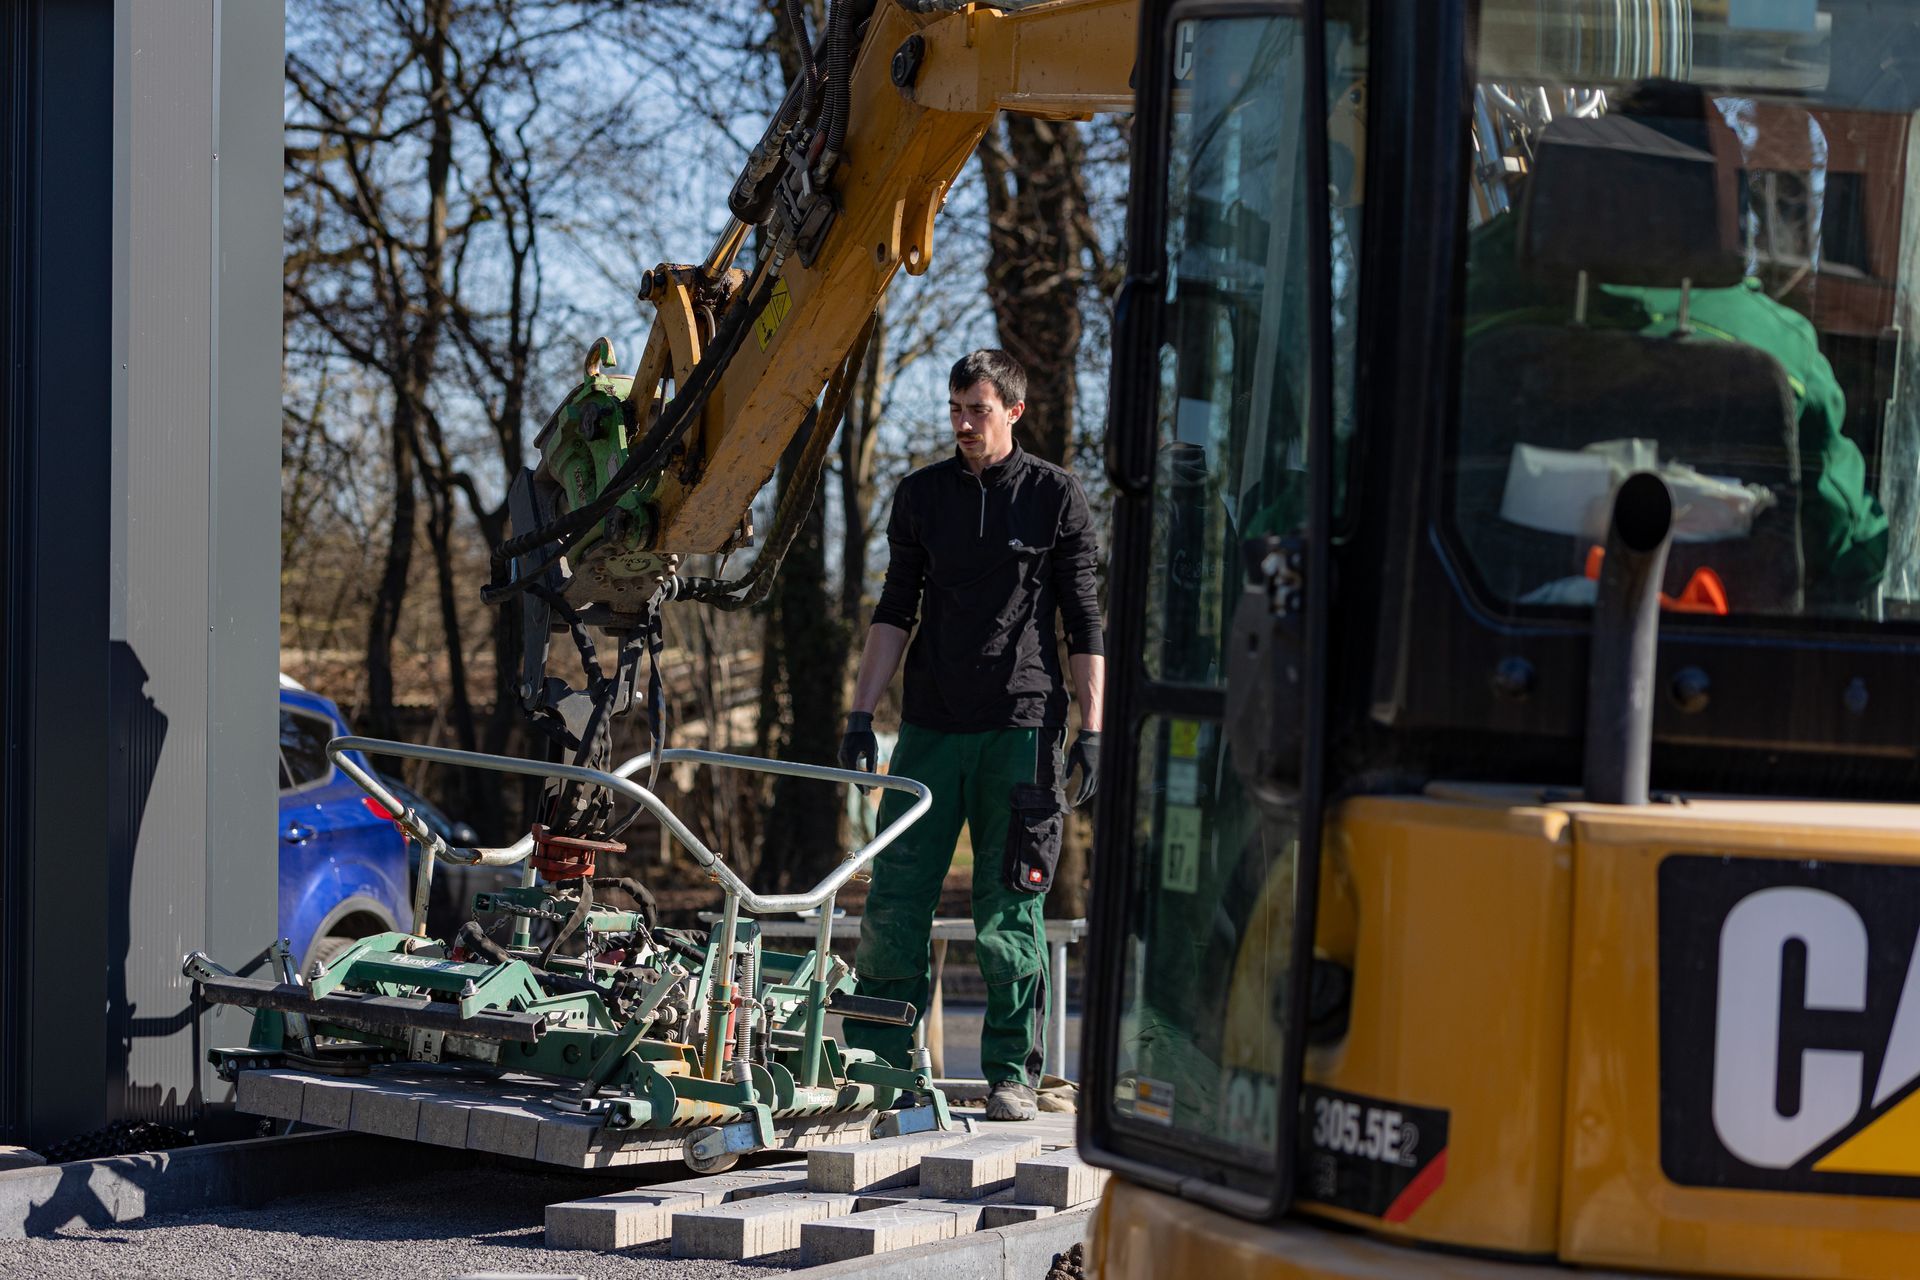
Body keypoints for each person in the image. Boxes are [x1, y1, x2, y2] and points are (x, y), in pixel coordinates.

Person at [837, 349, 1105, 1122]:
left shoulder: (1057, 497)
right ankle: (879, 1068)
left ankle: (1010, 1074)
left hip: (1022, 728)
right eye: (955, 409)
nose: (962, 423)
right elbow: (894, 610)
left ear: (1013, 412)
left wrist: (1091, 730)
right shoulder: (920, 496)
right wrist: (861, 715)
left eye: (977, 410)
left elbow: (1084, 618)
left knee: (1009, 910)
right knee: (895, 899)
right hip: (928, 728)